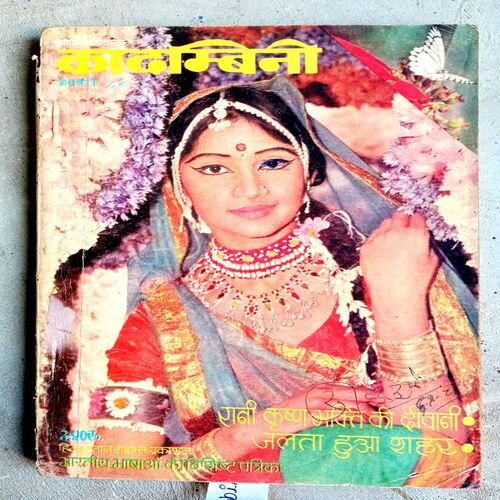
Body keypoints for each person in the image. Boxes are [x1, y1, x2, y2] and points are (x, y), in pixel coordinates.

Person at [89, 77, 479, 486]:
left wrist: (396, 304)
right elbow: (112, 480)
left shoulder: (390, 264)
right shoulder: (163, 320)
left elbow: (449, 462)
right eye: (215, 168)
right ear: (177, 185)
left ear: (309, 169)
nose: (250, 188)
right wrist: (264, 426)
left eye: (272, 163)